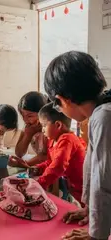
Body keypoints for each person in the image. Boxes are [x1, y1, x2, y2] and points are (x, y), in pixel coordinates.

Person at [44, 51, 111, 240]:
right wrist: (88, 208)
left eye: (57, 106)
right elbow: (92, 165)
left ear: (63, 99)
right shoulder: (100, 111)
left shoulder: (104, 117)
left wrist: (96, 235)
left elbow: (103, 182)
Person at [29, 103, 86, 205]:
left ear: (58, 125)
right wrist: (38, 168)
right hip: (73, 187)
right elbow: (51, 162)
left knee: (90, 210)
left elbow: (58, 166)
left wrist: (40, 183)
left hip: (84, 186)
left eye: (44, 125)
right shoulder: (53, 141)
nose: (42, 130)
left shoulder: (67, 139)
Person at [9, 92, 48, 167]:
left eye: (30, 116)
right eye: (22, 116)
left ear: (43, 113)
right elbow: (19, 153)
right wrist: (28, 135)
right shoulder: (29, 126)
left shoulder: (49, 127)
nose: (25, 120)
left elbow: (46, 156)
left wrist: (25, 164)